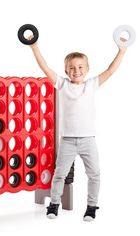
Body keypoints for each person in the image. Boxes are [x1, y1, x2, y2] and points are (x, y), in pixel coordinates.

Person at [27, 35, 127, 221]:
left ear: (87, 69)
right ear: (66, 70)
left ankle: (91, 207)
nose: (76, 71)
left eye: (80, 67)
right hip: (68, 141)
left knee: (95, 174)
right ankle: (54, 203)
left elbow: (111, 71)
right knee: (59, 175)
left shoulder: (91, 85)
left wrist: (122, 49)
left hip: (88, 140)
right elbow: (45, 67)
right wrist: (34, 47)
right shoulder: (62, 84)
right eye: (72, 68)